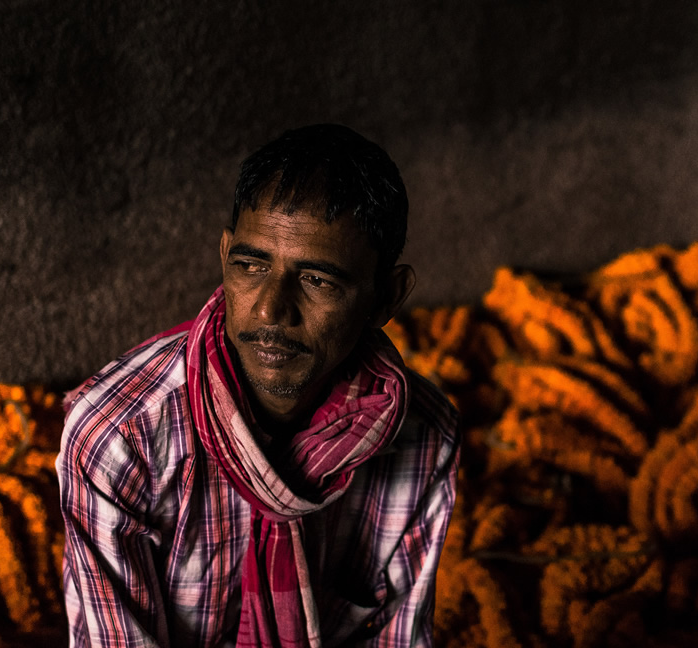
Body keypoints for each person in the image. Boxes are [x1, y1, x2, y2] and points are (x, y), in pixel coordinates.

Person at [57, 124, 462, 648]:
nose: (271, 309)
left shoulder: (425, 435)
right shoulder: (119, 439)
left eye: (318, 280)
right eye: (251, 266)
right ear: (226, 256)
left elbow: (398, 638)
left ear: (386, 298)